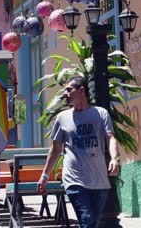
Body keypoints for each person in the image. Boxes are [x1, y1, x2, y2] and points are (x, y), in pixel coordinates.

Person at [37, 76, 120, 228]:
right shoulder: (62, 118)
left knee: (92, 223)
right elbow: (55, 149)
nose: (65, 94)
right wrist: (44, 175)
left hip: (99, 180)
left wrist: (114, 159)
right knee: (87, 219)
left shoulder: (100, 114)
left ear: (82, 90)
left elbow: (110, 137)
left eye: (69, 90)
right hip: (74, 179)